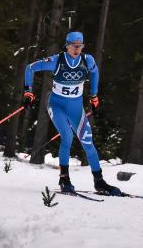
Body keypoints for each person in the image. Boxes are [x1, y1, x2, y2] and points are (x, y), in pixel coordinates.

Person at [23, 31, 121, 196]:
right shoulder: (57, 60)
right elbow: (30, 68)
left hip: (76, 107)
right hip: (57, 105)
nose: (77, 49)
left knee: (88, 142)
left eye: (80, 46)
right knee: (67, 137)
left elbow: (95, 72)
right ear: (67, 45)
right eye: (74, 46)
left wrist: (94, 95)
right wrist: (28, 91)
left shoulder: (87, 60)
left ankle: (99, 181)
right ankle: (64, 179)